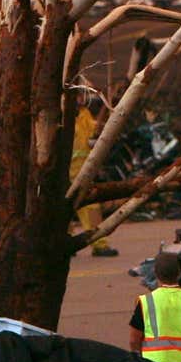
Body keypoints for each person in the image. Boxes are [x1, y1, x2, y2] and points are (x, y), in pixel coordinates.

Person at [72, 92, 117, 257]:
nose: (82, 99)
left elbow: (93, 131)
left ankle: (99, 243)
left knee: (91, 209)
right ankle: (62, 242)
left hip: (82, 172)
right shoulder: (62, 116)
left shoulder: (83, 115)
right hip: (64, 172)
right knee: (62, 211)